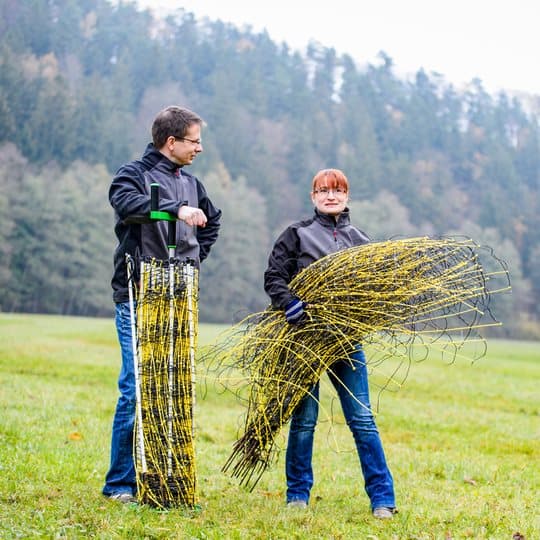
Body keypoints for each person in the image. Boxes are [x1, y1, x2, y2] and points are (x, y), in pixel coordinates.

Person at [103, 106, 222, 503]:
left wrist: (193, 256)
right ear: (171, 142)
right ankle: (120, 482)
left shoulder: (192, 183)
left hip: (180, 293)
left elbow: (213, 221)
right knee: (136, 387)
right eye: (194, 140)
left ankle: (161, 477)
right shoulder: (132, 175)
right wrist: (175, 210)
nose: (200, 148)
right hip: (138, 292)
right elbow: (130, 207)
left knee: (172, 387)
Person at [263, 168, 396, 519]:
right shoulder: (296, 235)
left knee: (362, 419)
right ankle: (297, 495)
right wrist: (289, 302)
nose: (331, 196)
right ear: (313, 197)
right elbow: (274, 277)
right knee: (304, 420)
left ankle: (383, 499)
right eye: (324, 191)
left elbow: (373, 290)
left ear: (347, 196)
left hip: (346, 343)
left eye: (337, 190)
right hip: (304, 342)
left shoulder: (361, 240)